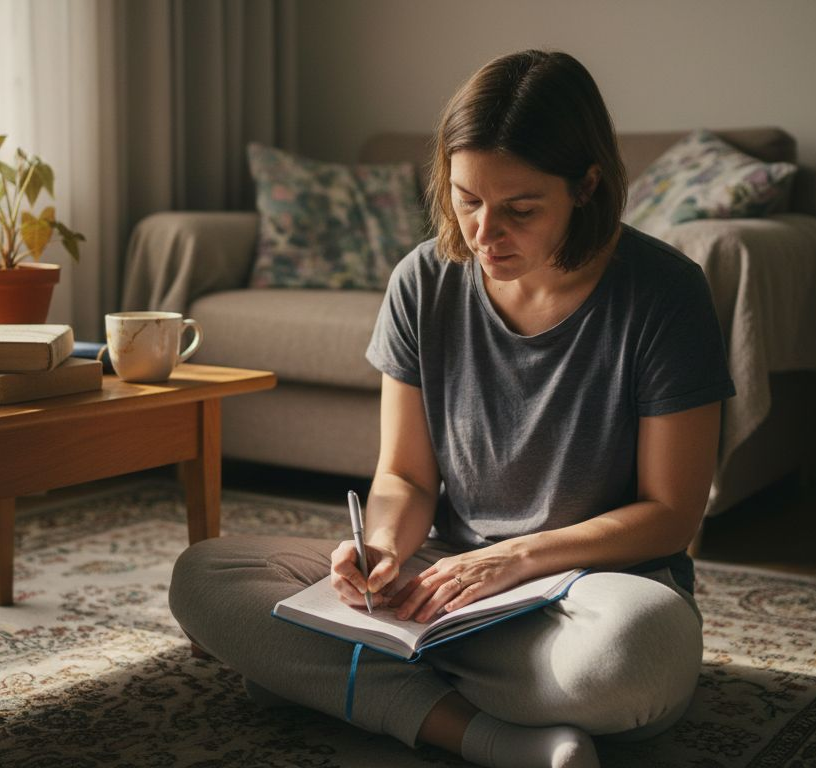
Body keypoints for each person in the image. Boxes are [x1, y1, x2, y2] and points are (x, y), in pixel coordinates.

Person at [169, 49, 734, 768]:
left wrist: (515, 559)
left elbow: (671, 514)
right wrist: (379, 551)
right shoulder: (422, 282)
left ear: (587, 186)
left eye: (520, 209)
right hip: (443, 583)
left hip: (591, 591)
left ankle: (334, 676)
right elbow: (405, 479)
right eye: (467, 199)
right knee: (203, 575)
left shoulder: (665, 293)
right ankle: (484, 734)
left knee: (633, 657)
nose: (483, 233)